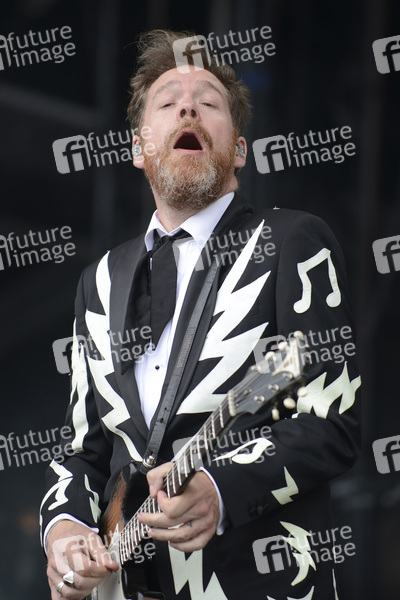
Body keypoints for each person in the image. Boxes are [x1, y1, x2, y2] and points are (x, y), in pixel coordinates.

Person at [41, 29, 361, 600]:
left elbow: (331, 421)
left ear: (238, 149)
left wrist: (219, 485)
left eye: (208, 103)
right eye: (167, 103)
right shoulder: (100, 280)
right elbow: (84, 450)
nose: (187, 108)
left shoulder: (291, 240)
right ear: (138, 148)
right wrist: (63, 529)